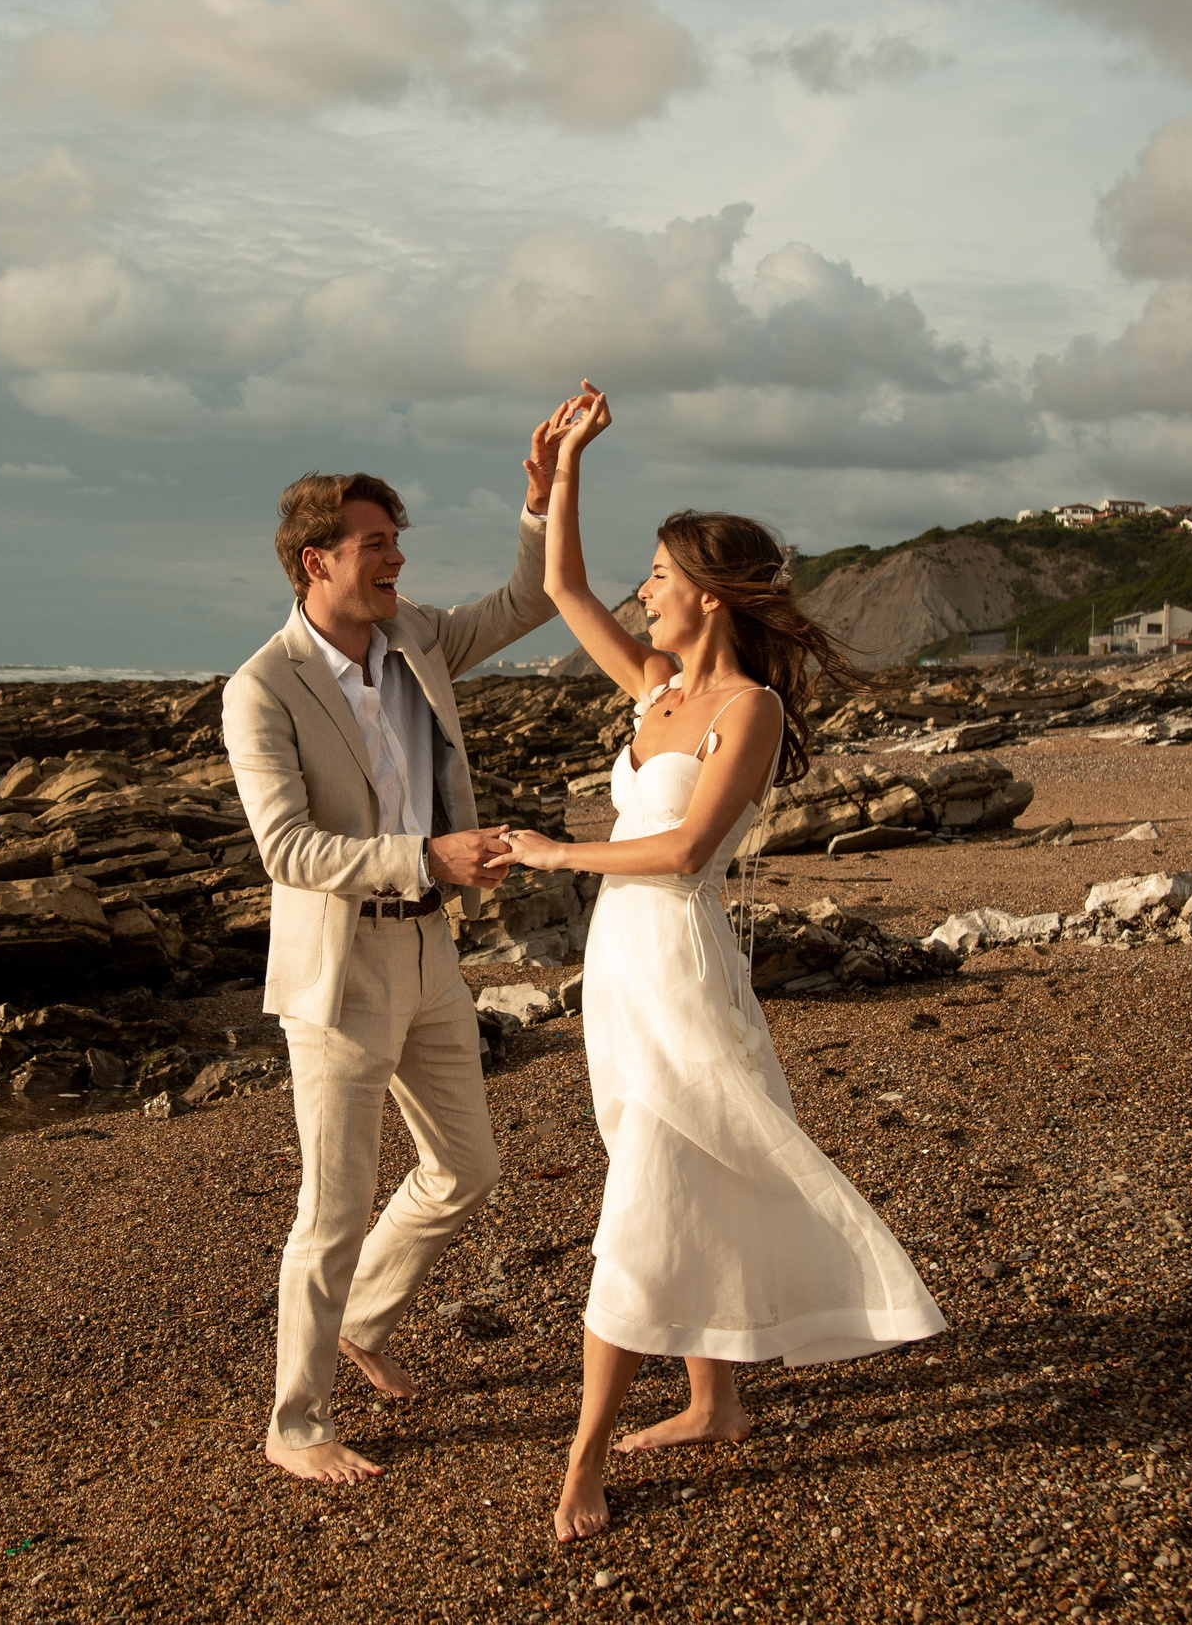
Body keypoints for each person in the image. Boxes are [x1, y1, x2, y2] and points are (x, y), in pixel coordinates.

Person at [499, 382, 946, 1541]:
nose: (642, 592)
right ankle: (717, 1402)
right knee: (671, 1174)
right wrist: (563, 471)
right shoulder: (655, 690)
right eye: (646, 576)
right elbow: (559, 586)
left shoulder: (743, 711)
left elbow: (691, 847)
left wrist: (555, 852)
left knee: (644, 1196)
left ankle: (584, 1460)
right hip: (620, 973)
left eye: (658, 576)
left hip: (681, 963)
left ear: (704, 593)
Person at [222, 433, 564, 1486]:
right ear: (313, 557)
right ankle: (296, 1421)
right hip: (335, 974)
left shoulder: (414, 636)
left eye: (396, 540)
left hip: (429, 951)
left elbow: (523, 602)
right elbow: (286, 850)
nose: (396, 560)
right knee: (330, 1211)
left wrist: (544, 504)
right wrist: (425, 851)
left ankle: (361, 1324)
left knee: (466, 1168)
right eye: (374, 544)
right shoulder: (262, 688)